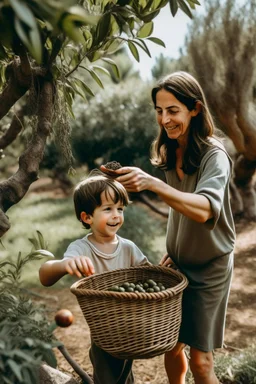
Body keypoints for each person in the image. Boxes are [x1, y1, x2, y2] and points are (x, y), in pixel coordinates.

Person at [101, 71, 236, 384]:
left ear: (195, 109)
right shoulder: (169, 149)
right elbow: (180, 208)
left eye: (173, 110)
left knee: (201, 363)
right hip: (177, 265)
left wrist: (152, 184)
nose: (164, 120)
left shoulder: (214, 156)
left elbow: (204, 209)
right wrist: (174, 249)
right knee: (171, 346)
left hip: (210, 267)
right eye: (159, 111)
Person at [39, 171, 149, 384]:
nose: (116, 215)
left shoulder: (128, 248)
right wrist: (64, 264)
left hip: (131, 327)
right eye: (108, 209)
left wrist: (162, 269)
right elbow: (45, 276)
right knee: (107, 375)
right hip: (104, 331)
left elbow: (146, 276)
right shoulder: (81, 248)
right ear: (87, 217)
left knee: (126, 377)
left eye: (120, 208)